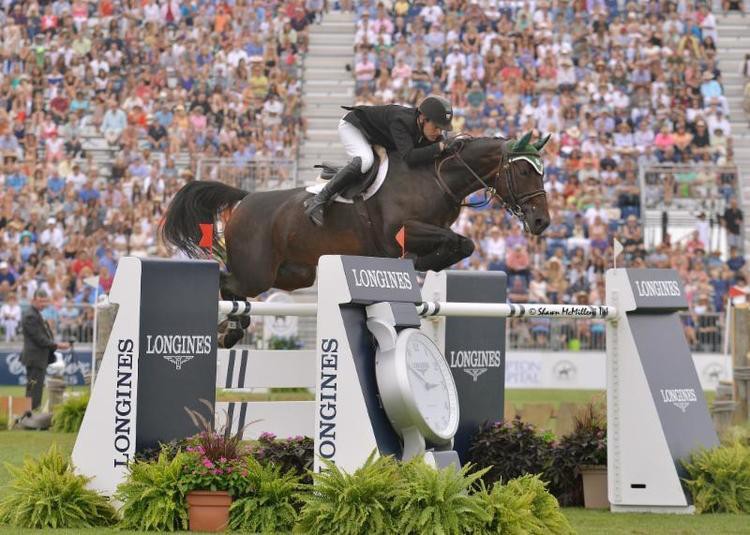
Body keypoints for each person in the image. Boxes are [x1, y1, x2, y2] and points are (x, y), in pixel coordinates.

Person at [303, 94, 456, 226]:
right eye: (436, 127)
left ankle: (337, 171)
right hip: (355, 127)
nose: (439, 132)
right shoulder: (401, 121)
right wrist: (439, 148)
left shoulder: (421, 125)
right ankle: (319, 199)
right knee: (366, 161)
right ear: (423, 118)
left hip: (378, 135)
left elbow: (435, 147)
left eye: (441, 129)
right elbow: (409, 157)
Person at [21, 290, 69, 411]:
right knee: (34, 387)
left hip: (37, 358)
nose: (43, 304)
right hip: (35, 359)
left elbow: (42, 336)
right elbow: (39, 338)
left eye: (45, 301)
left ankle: (30, 412)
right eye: (40, 301)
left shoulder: (35, 313)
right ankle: (31, 412)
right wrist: (57, 345)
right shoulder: (30, 315)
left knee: (34, 386)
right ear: (33, 300)